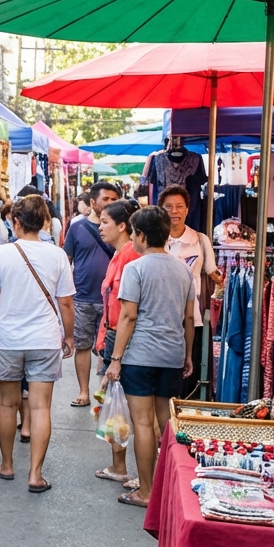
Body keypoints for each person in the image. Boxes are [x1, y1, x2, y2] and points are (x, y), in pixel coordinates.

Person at [0, 195, 75, 494]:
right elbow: (67, 303)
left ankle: (7, 465)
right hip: (44, 340)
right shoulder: (57, 255)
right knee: (41, 406)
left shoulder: (2, 255)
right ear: (45, 222)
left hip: (7, 340)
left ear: (15, 222)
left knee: (6, 403)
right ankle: (35, 474)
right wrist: (68, 336)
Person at [104, 206, 196, 509]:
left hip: (140, 356)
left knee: (142, 424)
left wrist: (115, 359)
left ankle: (146, 491)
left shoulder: (137, 268)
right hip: (172, 354)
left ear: (141, 235)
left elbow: (128, 317)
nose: (132, 238)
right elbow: (188, 318)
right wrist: (187, 354)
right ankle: (169, 487)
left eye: (133, 232)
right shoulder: (182, 268)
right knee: (167, 423)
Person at [160, 186, 223, 397]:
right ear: (161, 209)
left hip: (191, 315)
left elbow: (212, 272)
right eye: (168, 206)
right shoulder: (154, 239)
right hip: (159, 314)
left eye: (179, 206)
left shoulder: (200, 240)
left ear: (187, 209)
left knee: (188, 368)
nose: (174, 211)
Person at [94, 200, 139, 488]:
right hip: (112, 335)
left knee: (125, 406)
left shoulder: (129, 255)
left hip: (121, 337)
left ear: (122, 226)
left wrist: (115, 354)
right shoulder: (120, 253)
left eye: (105, 222)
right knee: (115, 403)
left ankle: (129, 468)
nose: (100, 227)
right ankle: (119, 464)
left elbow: (126, 310)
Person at [63, 181, 121, 407]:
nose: (110, 203)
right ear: (92, 202)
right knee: (83, 345)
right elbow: (67, 260)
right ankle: (84, 391)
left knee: (111, 348)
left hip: (112, 299)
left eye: (114, 199)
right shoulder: (77, 227)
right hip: (83, 297)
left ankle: (106, 391)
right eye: (105, 199)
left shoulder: (122, 227)